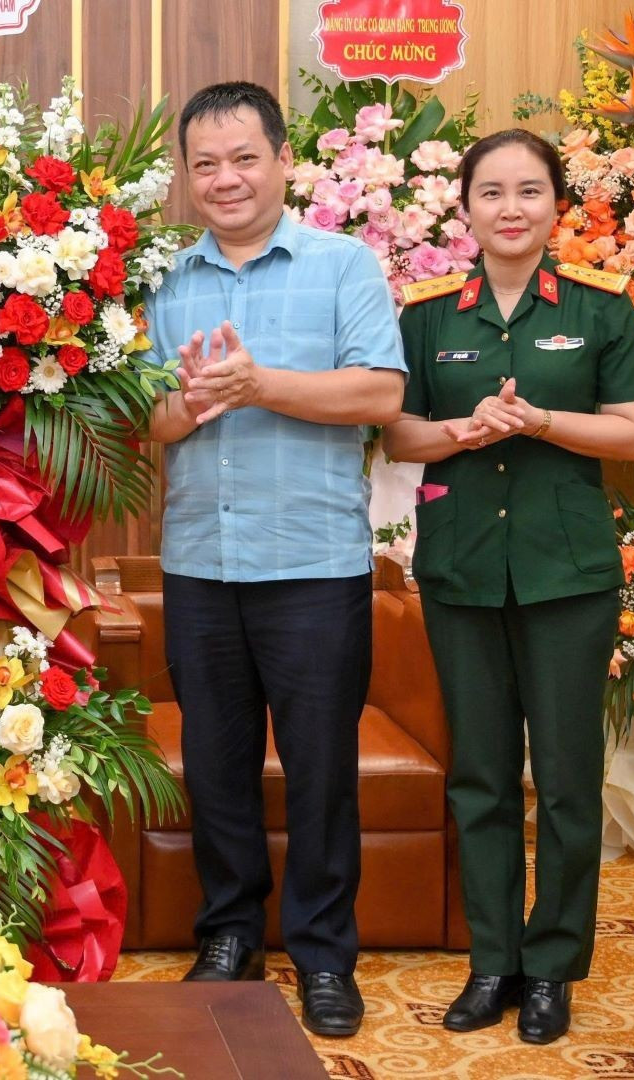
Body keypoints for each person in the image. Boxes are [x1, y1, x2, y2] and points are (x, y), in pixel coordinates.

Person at [382, 128, 634, 1045]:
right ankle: (492, 960)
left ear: (557, 206)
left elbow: (632, 436)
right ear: (464, 208)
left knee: (570, 782)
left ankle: (553, 968)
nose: (510, 208)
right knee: (482, 777)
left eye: (529, 192)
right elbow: (399, 436)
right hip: (462, 571)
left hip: (566, 575)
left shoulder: (602, 306)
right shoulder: (427, 314)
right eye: (491, 192)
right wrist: (467, 429)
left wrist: (538, 420)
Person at [143, 81, 406, 1037]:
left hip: (313, 560)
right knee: (214, 762)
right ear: (187, 174)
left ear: (284, 159)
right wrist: (198, 399)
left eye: (244, 158)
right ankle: (229, 934)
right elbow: (149, 420)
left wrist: (261, 384)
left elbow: (379, 393)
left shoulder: (343, 265)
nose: (226, 179)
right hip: (202, 559)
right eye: (205, 164)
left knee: (320, 768)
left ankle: (326, 952)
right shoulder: (166, 279)